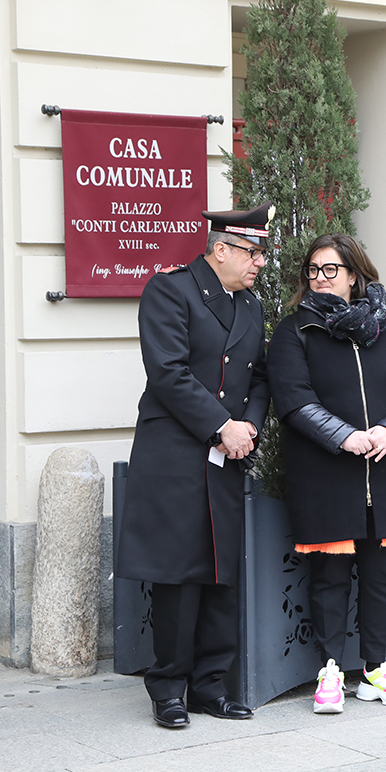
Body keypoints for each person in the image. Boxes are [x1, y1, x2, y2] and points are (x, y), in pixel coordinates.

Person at [117, 201, 273, 729]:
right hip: (177, 454)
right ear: (221, 249)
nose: (259, 265)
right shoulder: (170, 290)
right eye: (252, 253)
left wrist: (248, 426)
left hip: (228, 452)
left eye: (261, 255)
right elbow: (167, 372)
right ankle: (169, 689)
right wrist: (220, 425)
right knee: (178, 575)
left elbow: (261, 378)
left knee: (220, 572)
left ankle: (211, 686)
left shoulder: (249, 304)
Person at [267, 233, 386, 712]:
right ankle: (331, 668)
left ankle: (376, 668)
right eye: (313, 270)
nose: (320, 278)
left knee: (382, 578)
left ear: (355, 274)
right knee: (329, 577)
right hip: (326, 474)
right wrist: (344, 436)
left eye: (330, 269)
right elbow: (293, 397)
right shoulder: (295, 331)